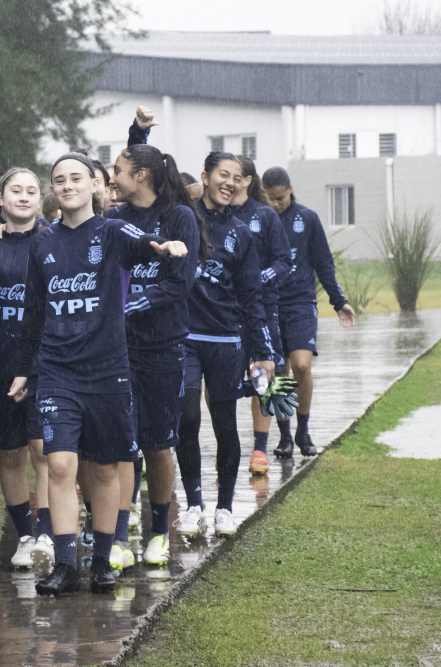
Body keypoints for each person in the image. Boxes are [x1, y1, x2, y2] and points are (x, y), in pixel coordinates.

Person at [11, 152, 187, 596]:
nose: (67, 186)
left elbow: (143, 240)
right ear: (53, 190)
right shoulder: (42, 243)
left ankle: (104, 560)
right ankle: (66, 564)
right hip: (57, 371)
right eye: (59, 180)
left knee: (106, 467)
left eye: (76, 178)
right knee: (60, 464)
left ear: (95, 185)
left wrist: (164, 246)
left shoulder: (111, 231)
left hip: (108, 370)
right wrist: (23, 370)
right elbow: (33, 313)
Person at [108, 143, 206, 567]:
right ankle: (116, 535)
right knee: (120, 442)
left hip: (164, 345)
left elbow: (179, 284)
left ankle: (160, 530)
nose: (111, 178)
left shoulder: (179, 217)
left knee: (157, 443)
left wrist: (128, 305)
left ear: (141, 175)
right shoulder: (113, 219)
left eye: (117, 170)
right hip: (116, 348)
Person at [175, 152, 275, 540]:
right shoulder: (182, 219)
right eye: (222, 175)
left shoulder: (242, 234)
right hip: (184, 338)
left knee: (225, 425)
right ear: (205, 177)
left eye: (237, 177)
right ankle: (194, 505)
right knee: (186, 417)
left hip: (225, 340)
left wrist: (263, 352)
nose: (230, 182)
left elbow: (252, 296)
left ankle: (225, 508)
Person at [0, 167, 49, 569]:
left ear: (40, 199)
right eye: (15, 191)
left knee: (44, 452)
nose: (23, 197)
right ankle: (24, 535)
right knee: (8, 457)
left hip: (43, 367)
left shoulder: (52, 242)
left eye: (31, 191)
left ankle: (48, 532)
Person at [262, 167, 356, 458]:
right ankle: (285, 435)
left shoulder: (307, 218)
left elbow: (323, 262)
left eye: (280, 198)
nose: (276, 204)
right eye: (270, 199)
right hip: (269, 304)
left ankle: (303, 430)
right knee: (279, 370)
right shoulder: (259, 220)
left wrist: (339, 301)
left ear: (290, 189)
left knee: (301, 365)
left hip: (300, 302)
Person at [232, 156, 292, 474]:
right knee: (222, 379)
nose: (229, 183)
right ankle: (227, 443)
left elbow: (284, 261)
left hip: (263, 308)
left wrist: (258, 278)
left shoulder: (265, 215)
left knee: (268, 375)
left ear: (248, 180)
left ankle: (266, 446)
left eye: (237, 176)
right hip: (224, 311)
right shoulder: (211, 215)